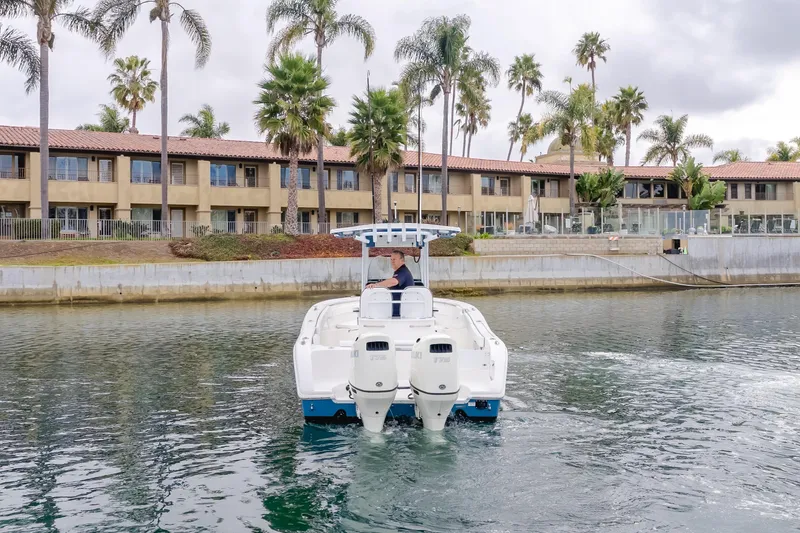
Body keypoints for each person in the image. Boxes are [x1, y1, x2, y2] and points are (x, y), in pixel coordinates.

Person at [366, 250, 415, 317]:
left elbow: (394, 281)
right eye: (391, 259)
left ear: (402, 260)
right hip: (400, 308)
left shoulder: (403, 271)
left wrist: (376, 285)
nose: (392, 261)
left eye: (394, 259)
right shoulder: (400, 271)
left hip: (400, 311)